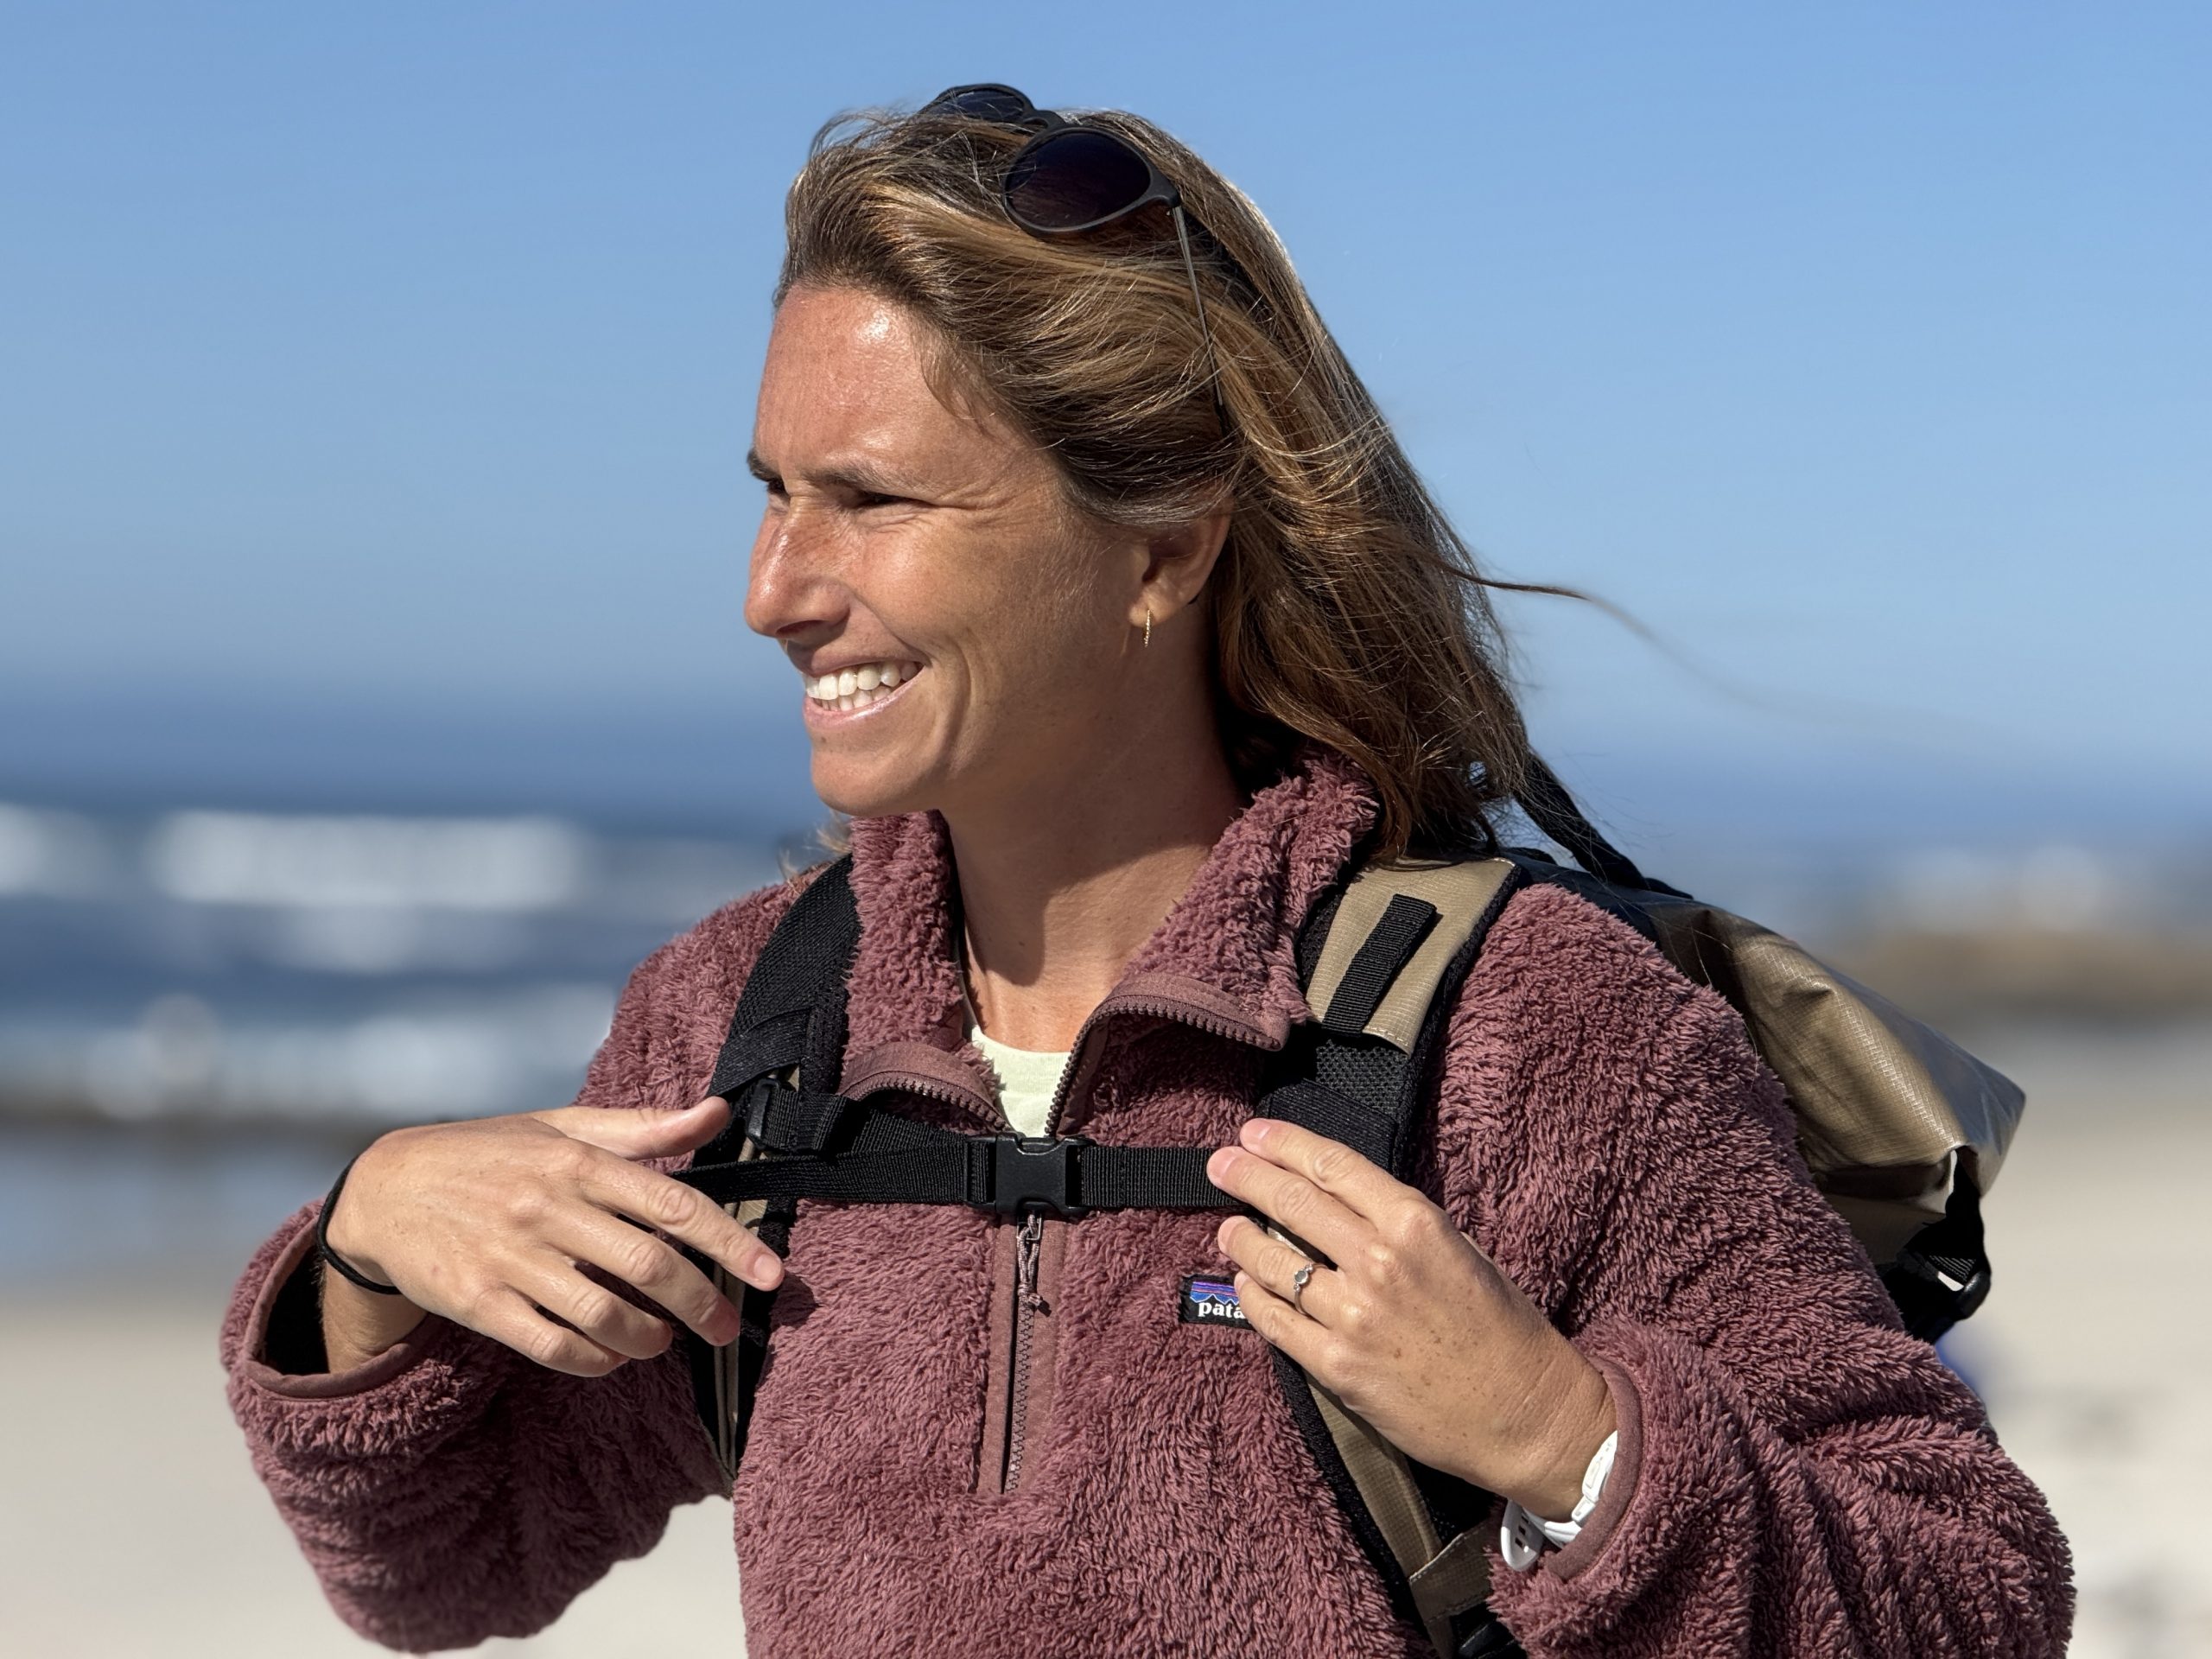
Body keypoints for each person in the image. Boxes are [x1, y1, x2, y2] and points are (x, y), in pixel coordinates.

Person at [221, 88, 2073, 1658]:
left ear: (1161, 550)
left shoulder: (1529, 1034)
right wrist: (365, 1256)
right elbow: (447, 1561)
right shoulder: (742, 1028)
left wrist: (1564, 1439)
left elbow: (1967, 1594)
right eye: (771, 490)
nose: (772, 589)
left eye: (869, 500)